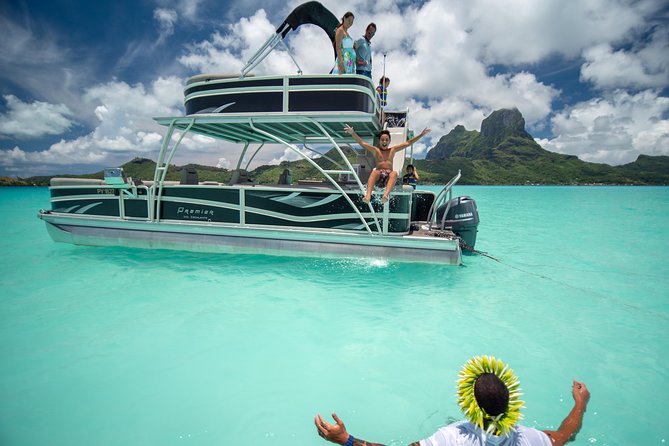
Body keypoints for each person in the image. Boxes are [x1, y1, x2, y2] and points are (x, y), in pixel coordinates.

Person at [315, 355, 590, 446]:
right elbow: (566, 434)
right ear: (510, 405)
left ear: (470, 405)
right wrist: (580, 403)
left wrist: (346, 440)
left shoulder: (452, 437)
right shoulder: (528, 438)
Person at [344, 124, 431, 203]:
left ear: (389, 141)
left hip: (389, 177)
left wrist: (421, 134)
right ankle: (368, 196)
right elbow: (362, 143)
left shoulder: (392, 150)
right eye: (382, 140)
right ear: (379, 141)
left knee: (394, 173)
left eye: (386, 140)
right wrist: (352, 133)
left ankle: (385, 195)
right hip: (378, 177)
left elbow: (408, 143)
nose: (384, 142)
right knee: (374, 172)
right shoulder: (376, 150)